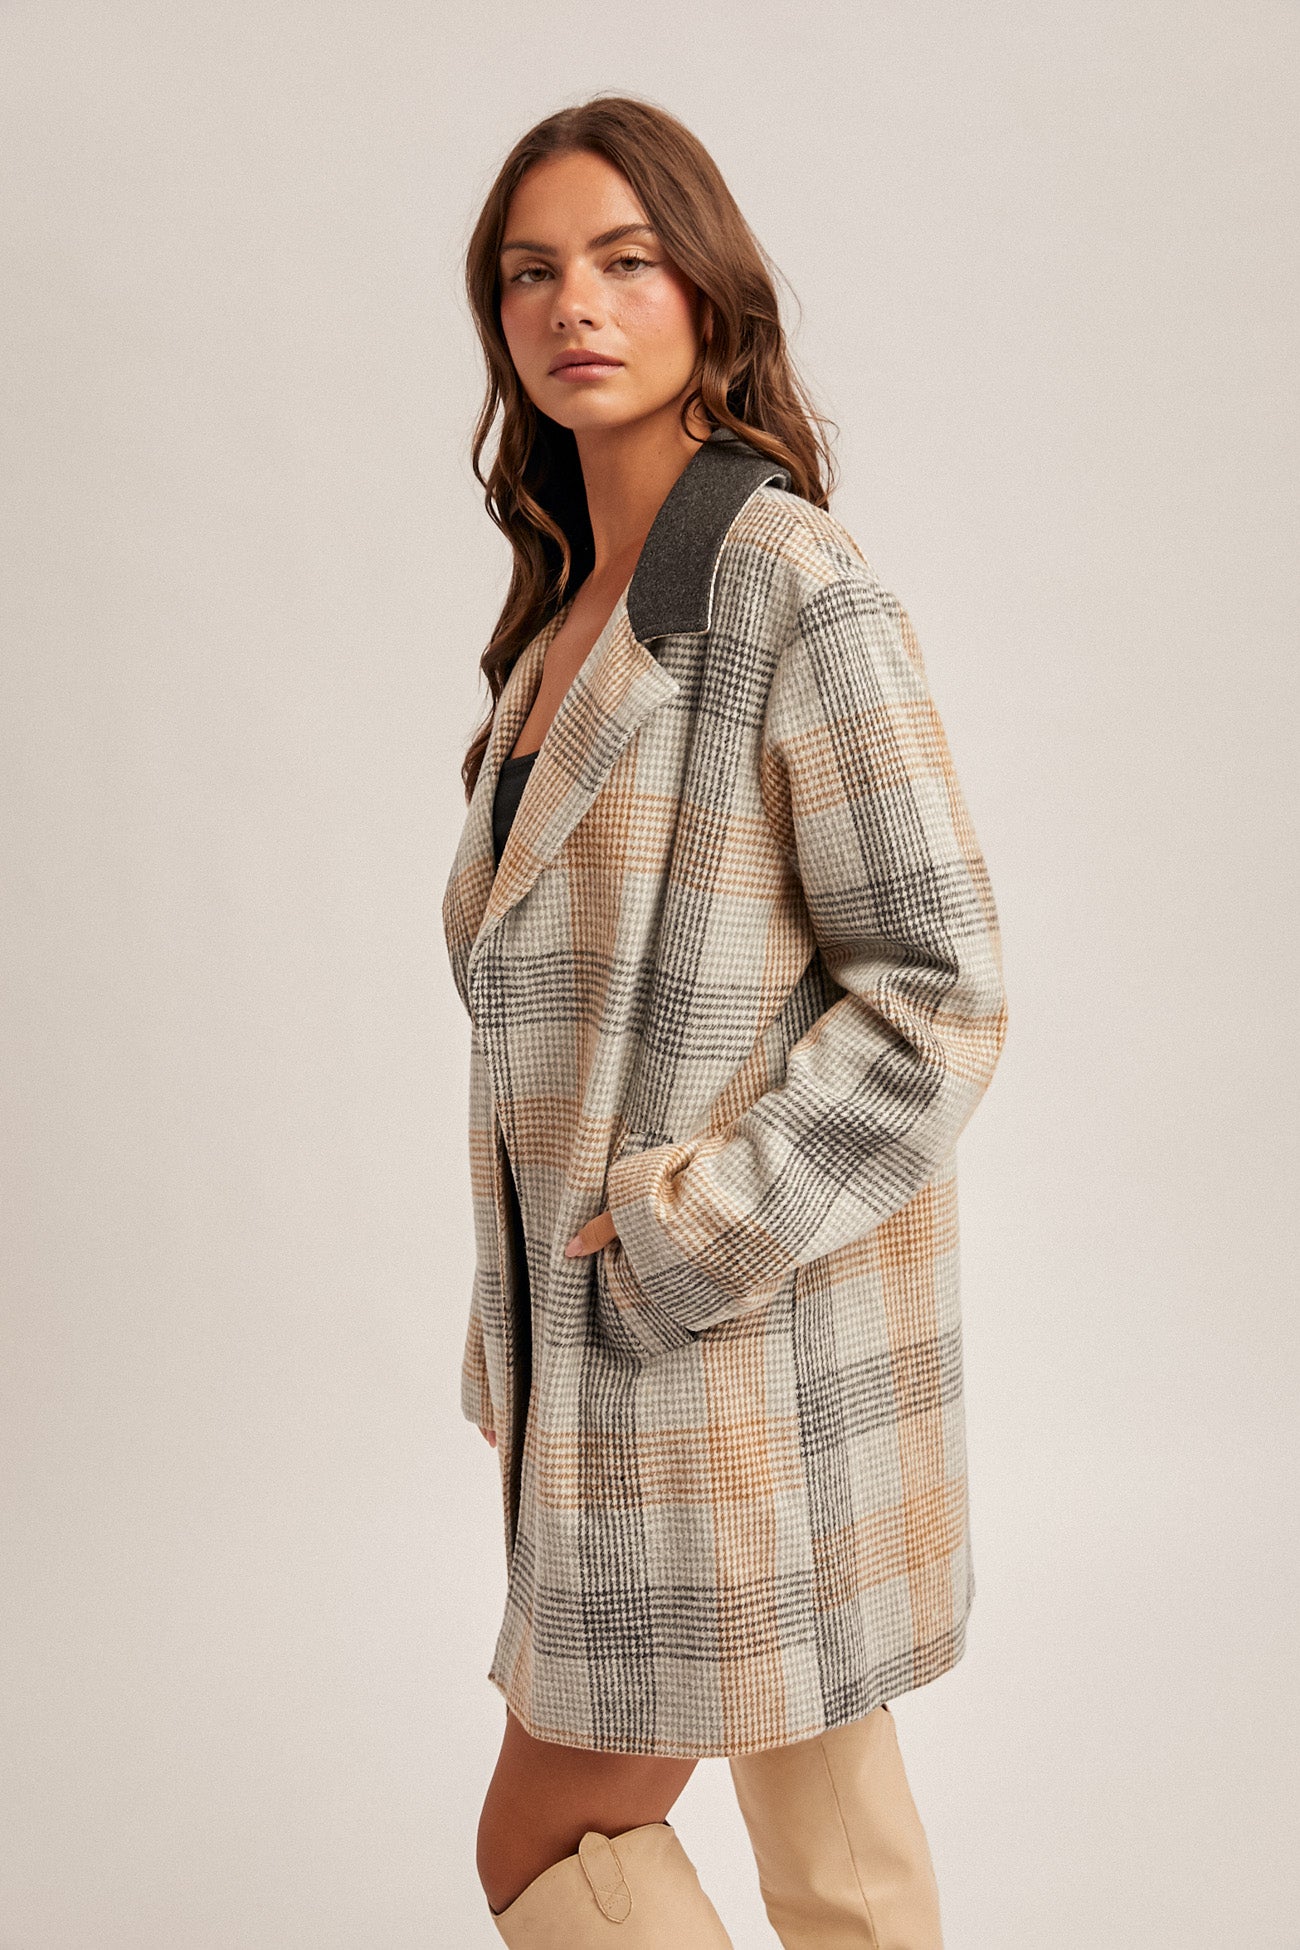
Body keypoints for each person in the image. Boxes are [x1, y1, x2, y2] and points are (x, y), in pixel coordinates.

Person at [441, 94, 1009, 1947]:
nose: (574, 305)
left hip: (728, 1347)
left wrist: (683, 1233)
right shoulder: (566, 613)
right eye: (532, 272)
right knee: (831, 1825)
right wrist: (528, 1336)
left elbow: (938, 992)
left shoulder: (788, 585)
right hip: (637, 1360)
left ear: (709, 291)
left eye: (625, 260)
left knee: (544, 1840)